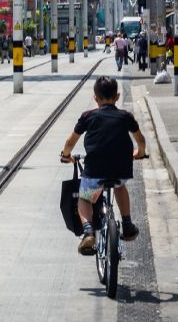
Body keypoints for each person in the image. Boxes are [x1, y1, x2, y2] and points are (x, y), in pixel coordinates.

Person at [60, 76, 147, 255]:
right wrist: (140, 153)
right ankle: (128, 224)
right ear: (117, 96)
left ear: (95, 98)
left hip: (94, 170)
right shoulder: (125, 116)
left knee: (84, 198)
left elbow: (70, 143)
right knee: (120, 186)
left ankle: (88, 232)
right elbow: (141, 140)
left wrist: (66, 156)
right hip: (121, 168)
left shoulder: (88, 116)